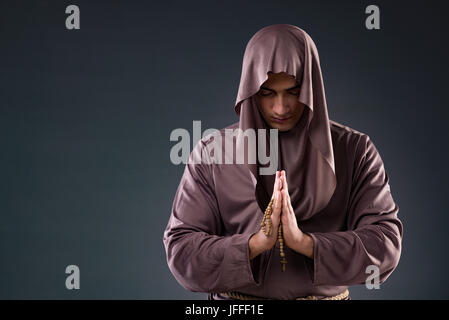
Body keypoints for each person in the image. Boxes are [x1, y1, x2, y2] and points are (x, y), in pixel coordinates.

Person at [163, 24, 403, 300]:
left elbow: (385, 246)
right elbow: (181, 252)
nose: (281, 108)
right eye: (267, 93)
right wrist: (252, 245)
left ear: (312, 85)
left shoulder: (354, 150)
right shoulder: (212, 152)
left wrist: (306, 243)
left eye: (293, 91)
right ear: (249, 90)